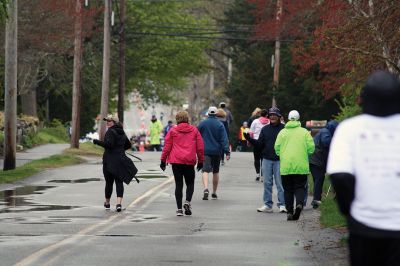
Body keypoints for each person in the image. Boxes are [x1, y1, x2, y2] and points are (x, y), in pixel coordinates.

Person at [327, 70, 400, 266]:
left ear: (364, 98)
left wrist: (351, 212)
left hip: (365, 224)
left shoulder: (350, 129)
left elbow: (340, 176)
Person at [160, 111, 204, 216]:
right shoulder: (194, 130)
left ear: (177, 119)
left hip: (176, 161)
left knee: (178, 184)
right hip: (189, 161)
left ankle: (179, 209)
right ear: (187, 118)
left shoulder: (173, 130)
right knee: (190, 183)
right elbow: (200, 147)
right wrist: (201, 161)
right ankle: (187, 202)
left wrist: (163, 160)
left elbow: (167, 146)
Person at [275, 110, 315, 220]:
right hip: (301, 166)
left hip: (286, 166)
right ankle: (299, 204)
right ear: (298, 119)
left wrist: (282, 154)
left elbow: (277, 148)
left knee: (288, 189)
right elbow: (311, 148)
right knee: (300, 187)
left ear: (288, 118)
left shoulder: (282, 133)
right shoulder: (305, 132)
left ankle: (289, 211)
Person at [93, 114, 138, 212]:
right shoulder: (122, 132)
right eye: (107, 121)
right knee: (119, 182)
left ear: (114, 122)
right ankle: (118, 204)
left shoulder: (110, 132)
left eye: (110, 121)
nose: (108, 123)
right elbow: (128, 145)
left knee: (109, 183)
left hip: (109, 161)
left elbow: (109, 145)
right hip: (120, 160)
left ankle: (107, 203)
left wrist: (97, 142)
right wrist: (120, 149)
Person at [245, 107, 286, 213]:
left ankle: (282, 204)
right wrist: (249, 139)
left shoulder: (284, 129)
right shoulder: (265, 129)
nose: (272, 116)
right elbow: (259, 145)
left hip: (280, 159)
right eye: (271, 115)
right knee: (267, 183)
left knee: (280, 183)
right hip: (267, 159)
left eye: (274, 115)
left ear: (279, 117)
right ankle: (268, 205)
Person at [198, 106, 230, 200]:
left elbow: (197, 136)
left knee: (205, 170)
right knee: (215, 172)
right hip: (217, 151)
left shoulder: (203, 123)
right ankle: (214, 192)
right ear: (216, 114)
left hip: (205, 150)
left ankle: (206, 188)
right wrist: (227, 151)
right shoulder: (220, 124)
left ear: (208, 113)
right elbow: (224, 139)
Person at [309, 120, 338, 208]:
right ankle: (316, 200)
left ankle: (316, 199)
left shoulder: (323, 131)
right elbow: (326, 143)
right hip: (317, 159)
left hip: (313, 159)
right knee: (319, 179)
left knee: (317, 179)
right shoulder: (326, 133)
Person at [249, 109, 270, 181]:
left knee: (257, 159)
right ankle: (263, 175)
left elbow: (251, 132)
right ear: (267, 115)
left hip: (256, 142)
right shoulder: (269, 122)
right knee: (264, 160)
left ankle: (257, 174)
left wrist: (250, 141)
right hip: (266, 143)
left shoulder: (255, 121)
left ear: (260, 114)